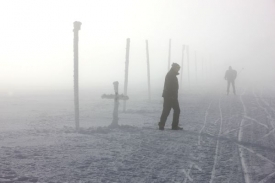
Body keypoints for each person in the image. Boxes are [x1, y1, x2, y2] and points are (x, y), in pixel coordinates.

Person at [158, 63, 183, 130]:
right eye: (178, 68)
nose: (178, 70)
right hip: (170, 96)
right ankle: (173, 126)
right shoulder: (171, 75)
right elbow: (169, 86)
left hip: (169, 96)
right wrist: (172, 95)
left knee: (166, 110)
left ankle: (162, 125)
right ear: (174, 68)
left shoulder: (171, 75)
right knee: (176, 110)